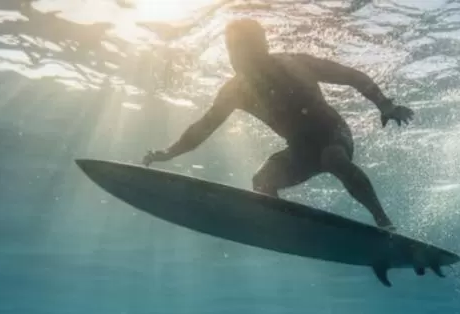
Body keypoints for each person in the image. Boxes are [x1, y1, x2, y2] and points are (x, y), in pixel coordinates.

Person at [142, 18, 415, 231]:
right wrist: (170, 152)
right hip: (300, 151)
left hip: (334, 134)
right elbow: (203, 128)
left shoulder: (295, 64)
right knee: (261, 181)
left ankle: (382, 220)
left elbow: (351, 76)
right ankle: (283, 225)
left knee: (332, 158)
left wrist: (385, 105)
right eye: (232, 50)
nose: (238, 57)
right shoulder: (235, 90)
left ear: (263, 45)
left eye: (245, 48)